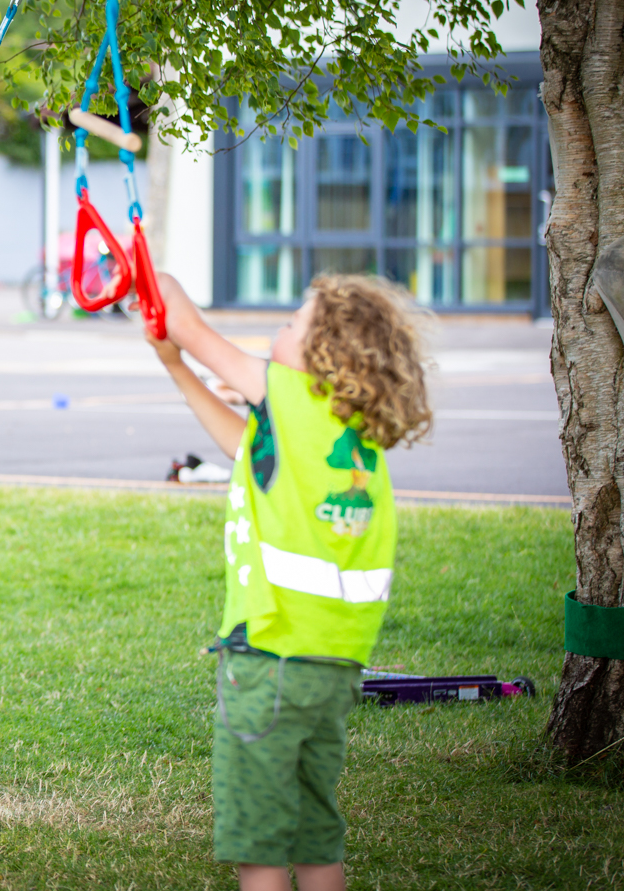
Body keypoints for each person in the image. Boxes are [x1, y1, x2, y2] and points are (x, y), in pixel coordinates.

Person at [145, 272, 431, 891]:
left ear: (327, 353)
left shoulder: (294, 397)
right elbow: (240, 443)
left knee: (263, 847)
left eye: (292, 324)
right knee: (313, 831)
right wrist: (175, 366)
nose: (280, 329)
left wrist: (158, 280)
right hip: (332, 666)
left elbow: (194, 328)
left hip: (271, 659)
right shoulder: (347, 430)